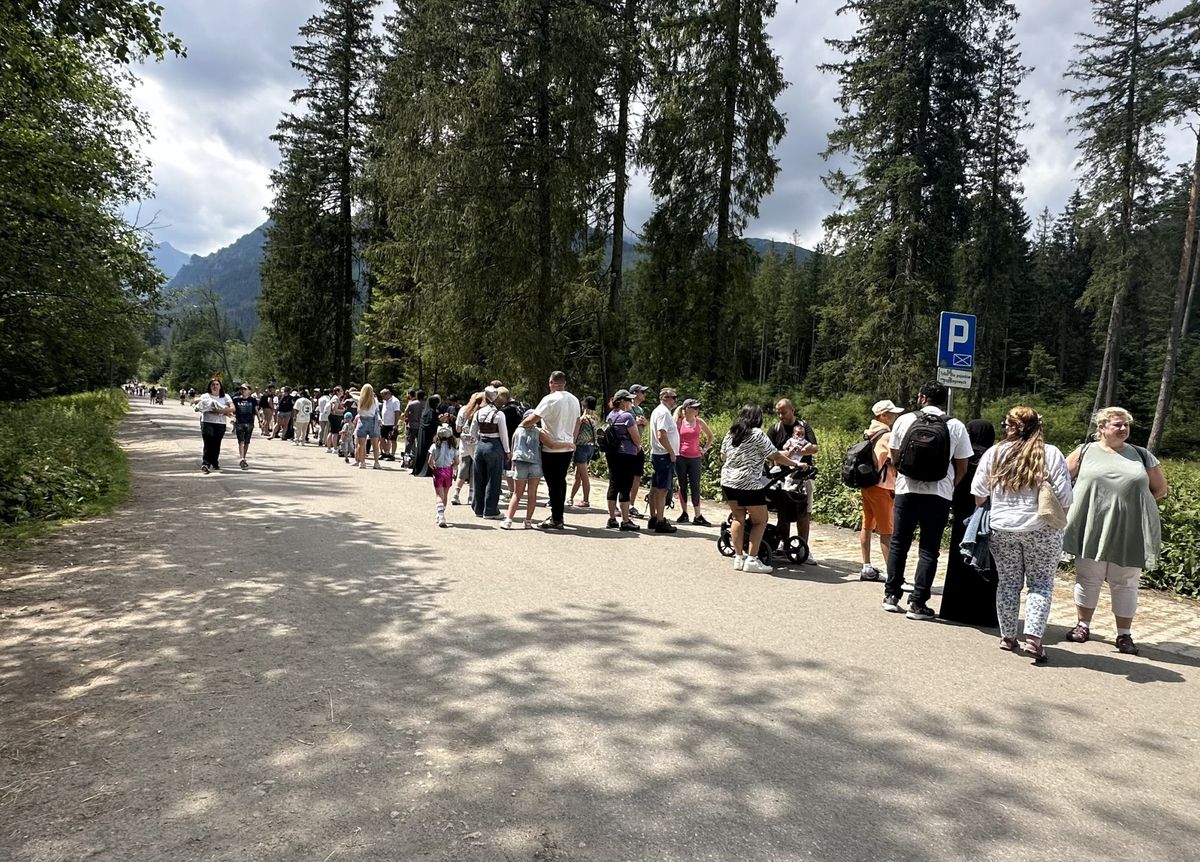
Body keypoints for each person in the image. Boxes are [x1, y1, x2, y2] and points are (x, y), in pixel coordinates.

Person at [1063, 406, 1169, 655]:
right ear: (1101, 428)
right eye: (1117, 424)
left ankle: (1124, 635)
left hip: (1129, 529)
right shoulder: (1085, 451)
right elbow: (1060, 479)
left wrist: (1133, 506)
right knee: (1088, 577)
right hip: (1091, 525)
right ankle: (1082, 626)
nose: (1123, 429)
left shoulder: (1142, 455)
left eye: (1126, 425)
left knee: (1126, 582)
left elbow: (1160, 489)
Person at [971, 407, 1073, 663]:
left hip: (1002, 526)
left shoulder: (995, 453)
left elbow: (979, 493)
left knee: (1007, 582)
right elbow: (1064, 497)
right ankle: (1034, 640)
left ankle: (1007, 636)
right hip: (1041, 528)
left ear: (1010, 427)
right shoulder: (1050, 453)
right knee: (1040, 583)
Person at [882, 380, 973, 621]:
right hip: (939, 494)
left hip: (906, 490)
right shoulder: (955, 426)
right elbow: (962, 465)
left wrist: (901, 476)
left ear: (922, 397)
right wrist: (950, 486)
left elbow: (893, 455)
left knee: (899, 543)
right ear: (943, 400)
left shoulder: (904, 420)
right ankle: (918, 603)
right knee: (929, 550)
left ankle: (891, 596)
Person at [720, 404, 798, 573]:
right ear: (758, 418)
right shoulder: (757, 434)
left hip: (728, 481)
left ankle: (739, 558)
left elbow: (722, 456)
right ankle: (752, 560)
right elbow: (775, 456)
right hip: (748, 483)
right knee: (760, 520)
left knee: (738, 518)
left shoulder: (731, 432)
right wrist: (795, 464)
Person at [938, 419, 1000, 626]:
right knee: (987, 564)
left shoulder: (963, 456)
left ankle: (952, 610)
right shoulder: (995, 456)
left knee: (958, 562)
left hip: (962, 516)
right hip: (987, 518)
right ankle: (984, 614)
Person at [521, 370, 581, 530]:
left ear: (551, 383)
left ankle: (556, 517)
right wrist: (572, 440)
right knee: (561, 480)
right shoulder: (575, 400)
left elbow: (534, 418)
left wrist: (521, 426)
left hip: (551, 446)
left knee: (553, 483)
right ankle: (558, 514)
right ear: (564, 383)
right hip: (567, 446)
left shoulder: (550, 399)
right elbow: (577, 422)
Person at [767, 399, 820, 565]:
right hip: (781, 477)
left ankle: (803, 548)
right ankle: (785, 545)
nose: (780, 416)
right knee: (783, 513)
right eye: (778, 412)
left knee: (804, 512)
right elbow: (770, 453)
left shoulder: (804, 426)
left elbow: (814, 447)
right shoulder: (775, 429)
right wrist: (789, 452)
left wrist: (799, 450)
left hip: (803, 476)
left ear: (792, 410)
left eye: (783, 412)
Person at [857, 399, 904, 581]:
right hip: (882, 487)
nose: (895, 416)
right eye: (892, 413)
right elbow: (892, 460)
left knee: (867, 525)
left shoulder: (871, 432)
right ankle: (893, 575)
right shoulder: (886, 436)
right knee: (887, 531)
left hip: (868, 485)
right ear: (882, 415)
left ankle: (867, 566)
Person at [504, 409, 553, 530]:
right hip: (535, 462)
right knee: (532, 494)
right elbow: (548, 444)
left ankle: (509, 520)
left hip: (521, 462)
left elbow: (513, 446)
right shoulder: (539, 431)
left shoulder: (518, 430)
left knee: (517, 494)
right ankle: (528, 521)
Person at [604, 390, 643, 531]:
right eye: (629, 400)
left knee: (613, 484)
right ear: (622, 401)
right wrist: (638, 447)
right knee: (625, 487)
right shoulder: (627, 417)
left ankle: (612, 518)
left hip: (612, 453)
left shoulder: (610, 415)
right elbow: (636, 438)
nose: (631, 403)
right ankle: (625, 520)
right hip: (627, 454)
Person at [469, 386, 510, 519]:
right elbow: (504, 435)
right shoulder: (499, 414)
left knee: (479, 477)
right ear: (496, 398)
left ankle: (478, 508)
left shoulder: (478, 413)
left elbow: (472, 433)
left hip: (480, 446)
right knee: (494, 478)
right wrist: (507, 451)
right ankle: (491, 510)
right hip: (494, 446)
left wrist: (477, 442)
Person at [674, 398, 714, 526]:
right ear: (686, 409)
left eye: (697, 408)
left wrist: (705, 449)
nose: (697, 410)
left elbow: (711, 436)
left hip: (695, 458)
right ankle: (684, 513)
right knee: (682, 485)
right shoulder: (679, 422)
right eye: (694, 407)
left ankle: (698, 515)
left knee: (695, 486)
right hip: (681, 457)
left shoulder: (699, 422)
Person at [647, 387, 680, 534]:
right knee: (662, 489)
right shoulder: (664, 413)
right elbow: (662, 434)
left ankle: (654, 517)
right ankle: (660, 520)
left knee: (655, 487)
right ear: (665, 397)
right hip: (664, 455)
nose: (675, 400)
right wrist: (671, 452)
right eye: (674, 397)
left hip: (659, 454)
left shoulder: (659, 411)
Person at [195, 378, 233, 473]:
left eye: (217, 384)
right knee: (208, 442)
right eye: (213, 384)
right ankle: (206, 463)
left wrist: (221, 411)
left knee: (216, 443)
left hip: (220, 423)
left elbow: (232, 408)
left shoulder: (225, 397)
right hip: (207, 422)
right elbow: (198, 403)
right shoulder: (205, 396)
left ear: (220, 386)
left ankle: (214, 462)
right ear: (209, 386)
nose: (215, 386)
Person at [452, 392, 483, 507]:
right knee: (474, 468)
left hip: (464, 442)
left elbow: (458, 429)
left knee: (463, 466)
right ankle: (471, 495)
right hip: (476, 442)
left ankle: (456, 493)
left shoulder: (463, 410)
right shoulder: (480, 411)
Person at [427, 424, 460, 527]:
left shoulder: (434, 446)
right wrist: (452, 467)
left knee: (438, 495)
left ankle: (441, 515)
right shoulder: (453, 448)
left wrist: (433, 468)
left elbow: (430, 462)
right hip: (448, 471)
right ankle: (441, 513)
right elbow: (457, 462)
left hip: (438, 471)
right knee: (445, 494)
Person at [569, 396, 599, 509]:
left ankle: (586, 500)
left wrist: (572, 445)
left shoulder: (582, 419)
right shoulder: (595, 419)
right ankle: (571, 497)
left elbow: (575, 434)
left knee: (584, 476)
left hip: (581, 447)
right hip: (591, 448)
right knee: (578, 475)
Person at [626, 384, 650, 517]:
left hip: (638, 447)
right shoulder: (628, 409)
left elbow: (643, 425)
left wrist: (644, 423)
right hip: (629, 447)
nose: (644, 394)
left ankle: (631, 504)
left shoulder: (640, 409)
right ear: (634, 393)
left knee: (637, 477)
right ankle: (623, 502)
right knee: (627, 477)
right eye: (642, 392)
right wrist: (635, 422)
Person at [412, 394, 442, 478]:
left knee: (422, 451)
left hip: (423, 435)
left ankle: (419, 468)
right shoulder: (432, 412)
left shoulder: (425, 411)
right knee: (428, 452)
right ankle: (427, 470)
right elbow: (432, 424)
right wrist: (439, 421)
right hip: (429, 436)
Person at [230, 383, 258, 470]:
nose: (242, 391)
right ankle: (242, 458)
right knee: (241, 441)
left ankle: (244, 457)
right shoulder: (236, 399)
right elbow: (232, 410)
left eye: (245, 389)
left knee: (247, 441)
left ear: (249, 391)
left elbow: (256, 410)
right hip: (239, 422)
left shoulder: (253, 400)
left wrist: (260, 420)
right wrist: (232, 417)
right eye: (241, 389)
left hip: (249, 423)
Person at [354, 383, 382, 469]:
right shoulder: (375, 400)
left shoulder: (359, 399)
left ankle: (362, 462)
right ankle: (376, 462)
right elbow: (376, 411)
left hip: (362, 421)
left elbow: (352, 393)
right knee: (375, 444)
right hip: (372, 421)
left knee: (361, 444)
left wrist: (361, 393)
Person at [379, 388, 402, 461]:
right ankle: (386, 453)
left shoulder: (395, 401)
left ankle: (392, 455)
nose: (382, 397)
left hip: (392, 424)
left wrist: (396, 424)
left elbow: (397, 413)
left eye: (383, 395)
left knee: (393, 440)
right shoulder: (385, 401)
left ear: (388, 394)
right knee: (381, 439)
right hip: (384, 423)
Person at [403, 389, 424, 466]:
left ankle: (406, 459)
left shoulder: (411, 404)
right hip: (421, 426)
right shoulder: (425, 405)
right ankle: (420, 459)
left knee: (409, 443)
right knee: (420, 443)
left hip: (412, 425)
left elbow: (405, 413)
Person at [325, 386, 344, 453]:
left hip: (332, 416)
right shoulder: (335, 399)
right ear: (337, 392)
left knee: (331, 432)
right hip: (335, 416)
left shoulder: (335, 398)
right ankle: (335, 448)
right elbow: (334, 409)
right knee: (335, 433)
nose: (342, 392)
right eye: (341, 391)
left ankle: (329, 447)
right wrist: (342, 410)